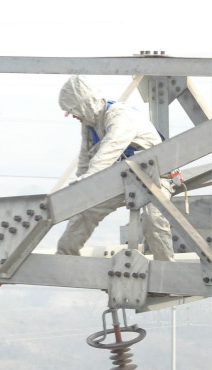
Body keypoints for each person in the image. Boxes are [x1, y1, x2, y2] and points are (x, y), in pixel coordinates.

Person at [55, 75, 174, 261]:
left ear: (84, 104)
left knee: (154, 222)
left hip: (155, 177)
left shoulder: (119, 115)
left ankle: (167, 274)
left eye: (74, 110)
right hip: (124, 177)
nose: (74, 116)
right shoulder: (90, 124)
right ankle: (64, 259)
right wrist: (80, 192)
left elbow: (111, 148)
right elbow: (86, 158)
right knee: (87, 211)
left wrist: (88, 179)